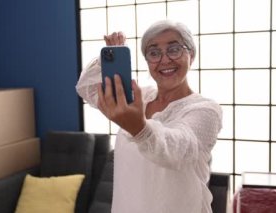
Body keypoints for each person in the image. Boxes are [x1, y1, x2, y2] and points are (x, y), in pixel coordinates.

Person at [76, 20, 222, 213]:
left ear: (191, 55)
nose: (165, 60)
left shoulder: (205, 110)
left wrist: (140, 129)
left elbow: (177, 150)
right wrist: (109, 60)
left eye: (174, 49)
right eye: (154, 53)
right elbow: (87, 89)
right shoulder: (139, 98)